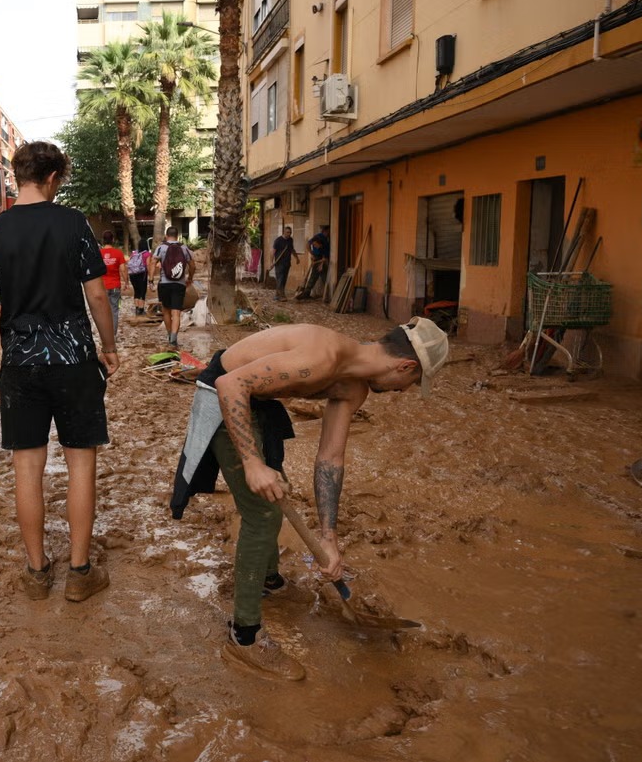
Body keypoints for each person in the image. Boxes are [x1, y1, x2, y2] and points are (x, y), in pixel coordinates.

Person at [170, 319, 449, 680]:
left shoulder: (354, 387)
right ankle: (245, 637)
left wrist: (329, 538)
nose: (403, 391)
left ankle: (269, 581)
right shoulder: (322, 357)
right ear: (406, 366)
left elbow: (330, 459)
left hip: (257, 401)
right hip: (226, 395)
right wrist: (253, 464)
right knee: (264, 514)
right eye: (411, 384)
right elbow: (230, 383)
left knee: (276, 489)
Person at [0, 141, 119, 603]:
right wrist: (109, 347)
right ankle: (79, 573)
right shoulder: (74, 223)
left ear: (17, 175)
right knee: (81, 467)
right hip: (74, 362)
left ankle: (36, 573)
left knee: (27, 470)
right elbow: (97, 297)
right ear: (53, 177)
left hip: (20, 364)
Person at [151, 225, 195, 347]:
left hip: (164, 283)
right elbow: (192, 266)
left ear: (166, 235)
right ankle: (173, 340)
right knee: (176, 313)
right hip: (179, 284)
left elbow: (153, 262)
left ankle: (170, 335)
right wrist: (190, 278)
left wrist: (151, 280)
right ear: (177, 236)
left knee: (166, 311)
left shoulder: (161, 247)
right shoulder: (185, 248)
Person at [98, 230, 125, 341]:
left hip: (101, 287)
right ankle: (113, 335)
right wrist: (126, 282)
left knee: (103, 311)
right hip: (115, 287)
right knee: (114, 310)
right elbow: (123, 269)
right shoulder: (118, 253)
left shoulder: (98, 253)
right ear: (113, 240)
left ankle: (104, 335)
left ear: (103, 240)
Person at [271, 226, 299, 301]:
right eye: (287, 232)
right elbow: (273, 252)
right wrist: (271, 262)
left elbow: (292, 249)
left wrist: (297, 258)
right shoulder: (278, 240)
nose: (289, 234)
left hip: (287, 263)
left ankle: (277, 295)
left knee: (284, 279)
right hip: (279, 263)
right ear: (284, 232)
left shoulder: (290, 240)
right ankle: (281, 296)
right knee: (280, 279)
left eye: (290, 232)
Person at [303, 225, 330, 300]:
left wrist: (321, 264)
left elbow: (325, 257)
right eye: (314, 245)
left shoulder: (325, 243)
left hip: (322, 260)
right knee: (313, 276)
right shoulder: (317, 237)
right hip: (317, 258)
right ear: (325, 231)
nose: (314, 245)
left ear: (320, 244)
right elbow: (308, 244)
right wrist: (311, 253)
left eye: (316, 245)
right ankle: (306, 293)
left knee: (325, 277)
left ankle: (327, 295)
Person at [126, 239, 151, 317]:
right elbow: (148, 265)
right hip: (141, 274)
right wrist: (150, 276)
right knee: (142, 291)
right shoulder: (147, 254)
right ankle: (141, 309)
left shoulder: (134, 253)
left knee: (136, 291)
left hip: (132, 274)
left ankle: (137, 309)